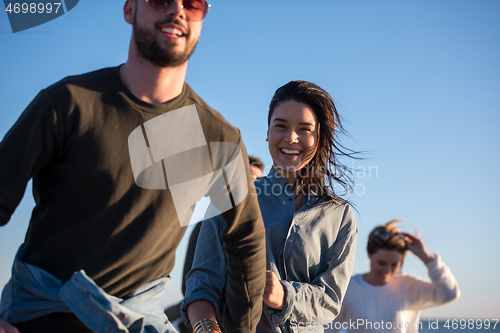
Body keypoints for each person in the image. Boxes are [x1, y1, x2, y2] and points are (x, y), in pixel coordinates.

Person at [0, 1, 266, 333]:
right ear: (129, 10)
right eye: (160, 0)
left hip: (140, 325)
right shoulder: (68, 103)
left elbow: (246, 241)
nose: (177, 11)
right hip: (38, 317)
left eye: (193, 4)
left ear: (202, 19)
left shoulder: (220, 140)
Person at [182, 80, 358, 332]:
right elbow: (201, 284)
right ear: (267, 132)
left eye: (304, 129)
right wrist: (207, 328)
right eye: (281, 126)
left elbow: (330, 301)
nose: (291, 138)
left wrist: (283, 295)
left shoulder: (341, 216)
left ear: (319, 137)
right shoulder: (229, 198)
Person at [164, 156, 266, 333]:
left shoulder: (271, 226)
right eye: (249, 179)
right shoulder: (209, 224)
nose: (254, 185)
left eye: (258, 180)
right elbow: (193, 282)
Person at [326, 220, 460, 333]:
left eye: (394, 264)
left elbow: (450, 293)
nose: (387, 270)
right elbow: (328, 329)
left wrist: (427, 258)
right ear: (369, 254)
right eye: (382, 263)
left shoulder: (409, 286)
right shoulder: (348, 288)